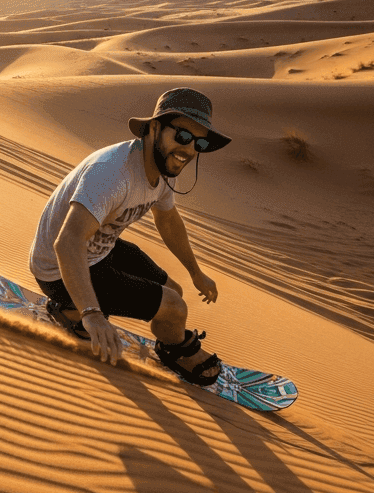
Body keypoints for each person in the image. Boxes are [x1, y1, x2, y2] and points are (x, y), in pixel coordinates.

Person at [28, 87, 232, 383]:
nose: (189, 150)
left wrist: (196, 273)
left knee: (174, 291)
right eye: (183, 135)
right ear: (154, 128)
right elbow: (68, 243)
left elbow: (168, 220)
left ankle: (89, 309)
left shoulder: (161, 168)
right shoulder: (111, 173)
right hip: (58, 269)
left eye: (199, 143)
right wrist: (92, 314)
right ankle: (73, 310)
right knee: (174, 309)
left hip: (100, 250)